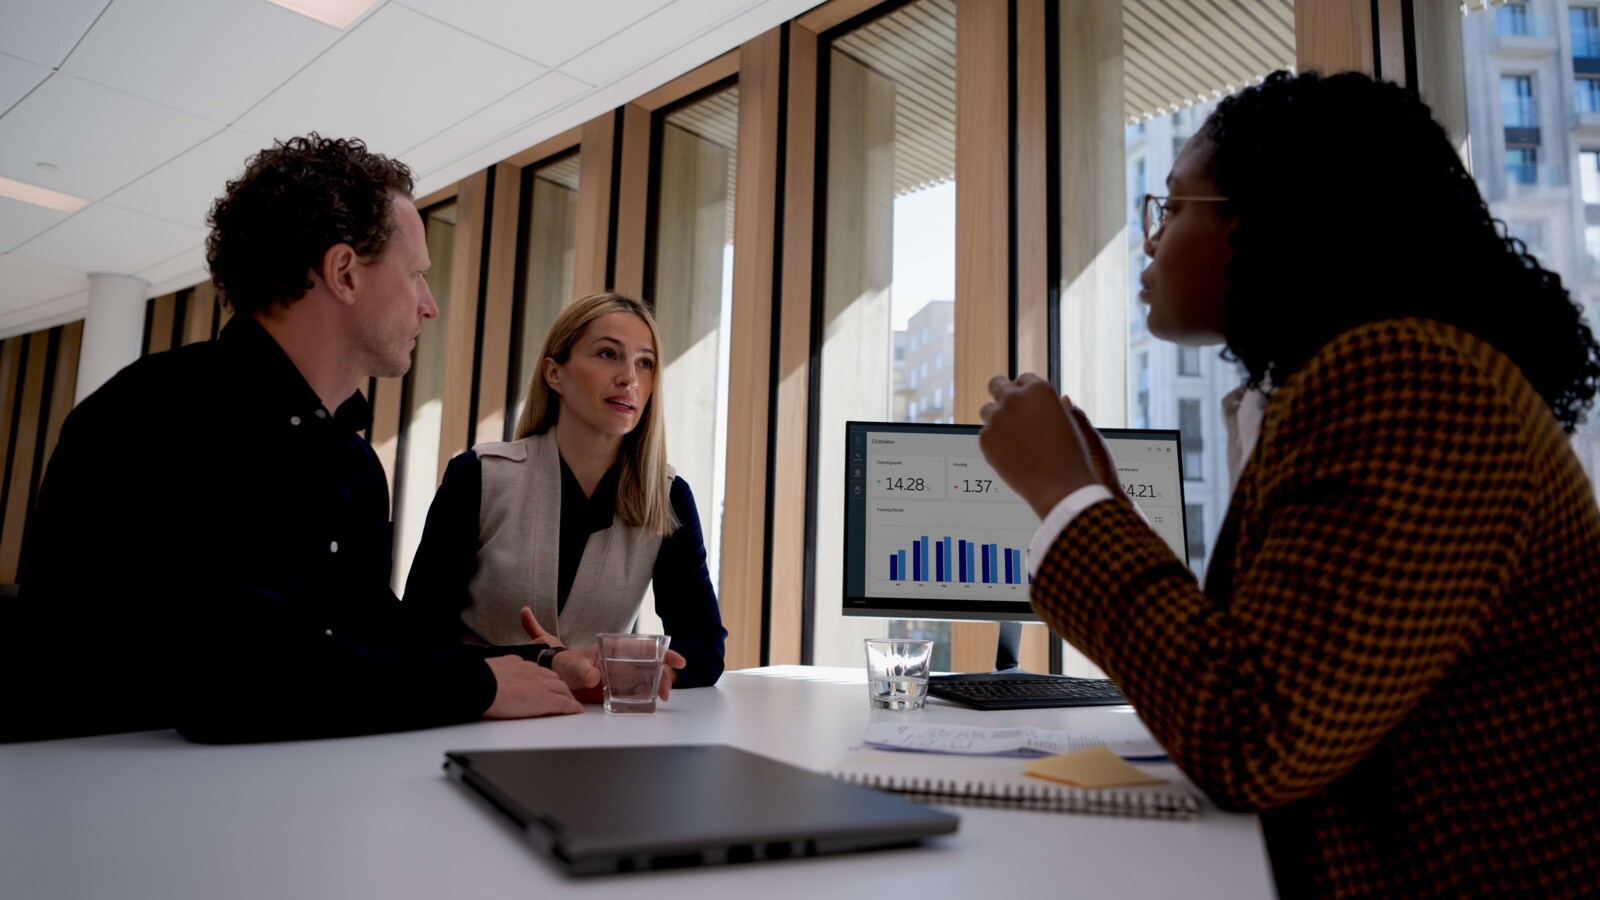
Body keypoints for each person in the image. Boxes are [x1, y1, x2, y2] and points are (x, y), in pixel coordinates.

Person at [978, 72, 1599, 896]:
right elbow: (1276, 672)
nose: (1152, 242)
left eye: (1173, 208)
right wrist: (1105, 509)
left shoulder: (1407, 379)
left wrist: (1065, 497)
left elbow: (1253, 734)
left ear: (1263, 218)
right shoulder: (1346, 384)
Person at [2, 135, 602, 744]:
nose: (430, 306)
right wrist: (480, 688)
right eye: (417, 274)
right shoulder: (160, 418)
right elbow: (239, 685)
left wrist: (540, 665)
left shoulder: (352, 460)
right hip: (98, 802)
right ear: (344, 272)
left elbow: (373, 647)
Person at [404, 292, 726, 696]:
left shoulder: (669, 497)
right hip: (474, 716)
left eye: (645, 362)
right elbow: (416, 638)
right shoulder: (478, 477)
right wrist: (545, 663)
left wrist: (636, 671)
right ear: (554, 373)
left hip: (590, 735)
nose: (629, 376)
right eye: (608, 354)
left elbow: (705, 646)